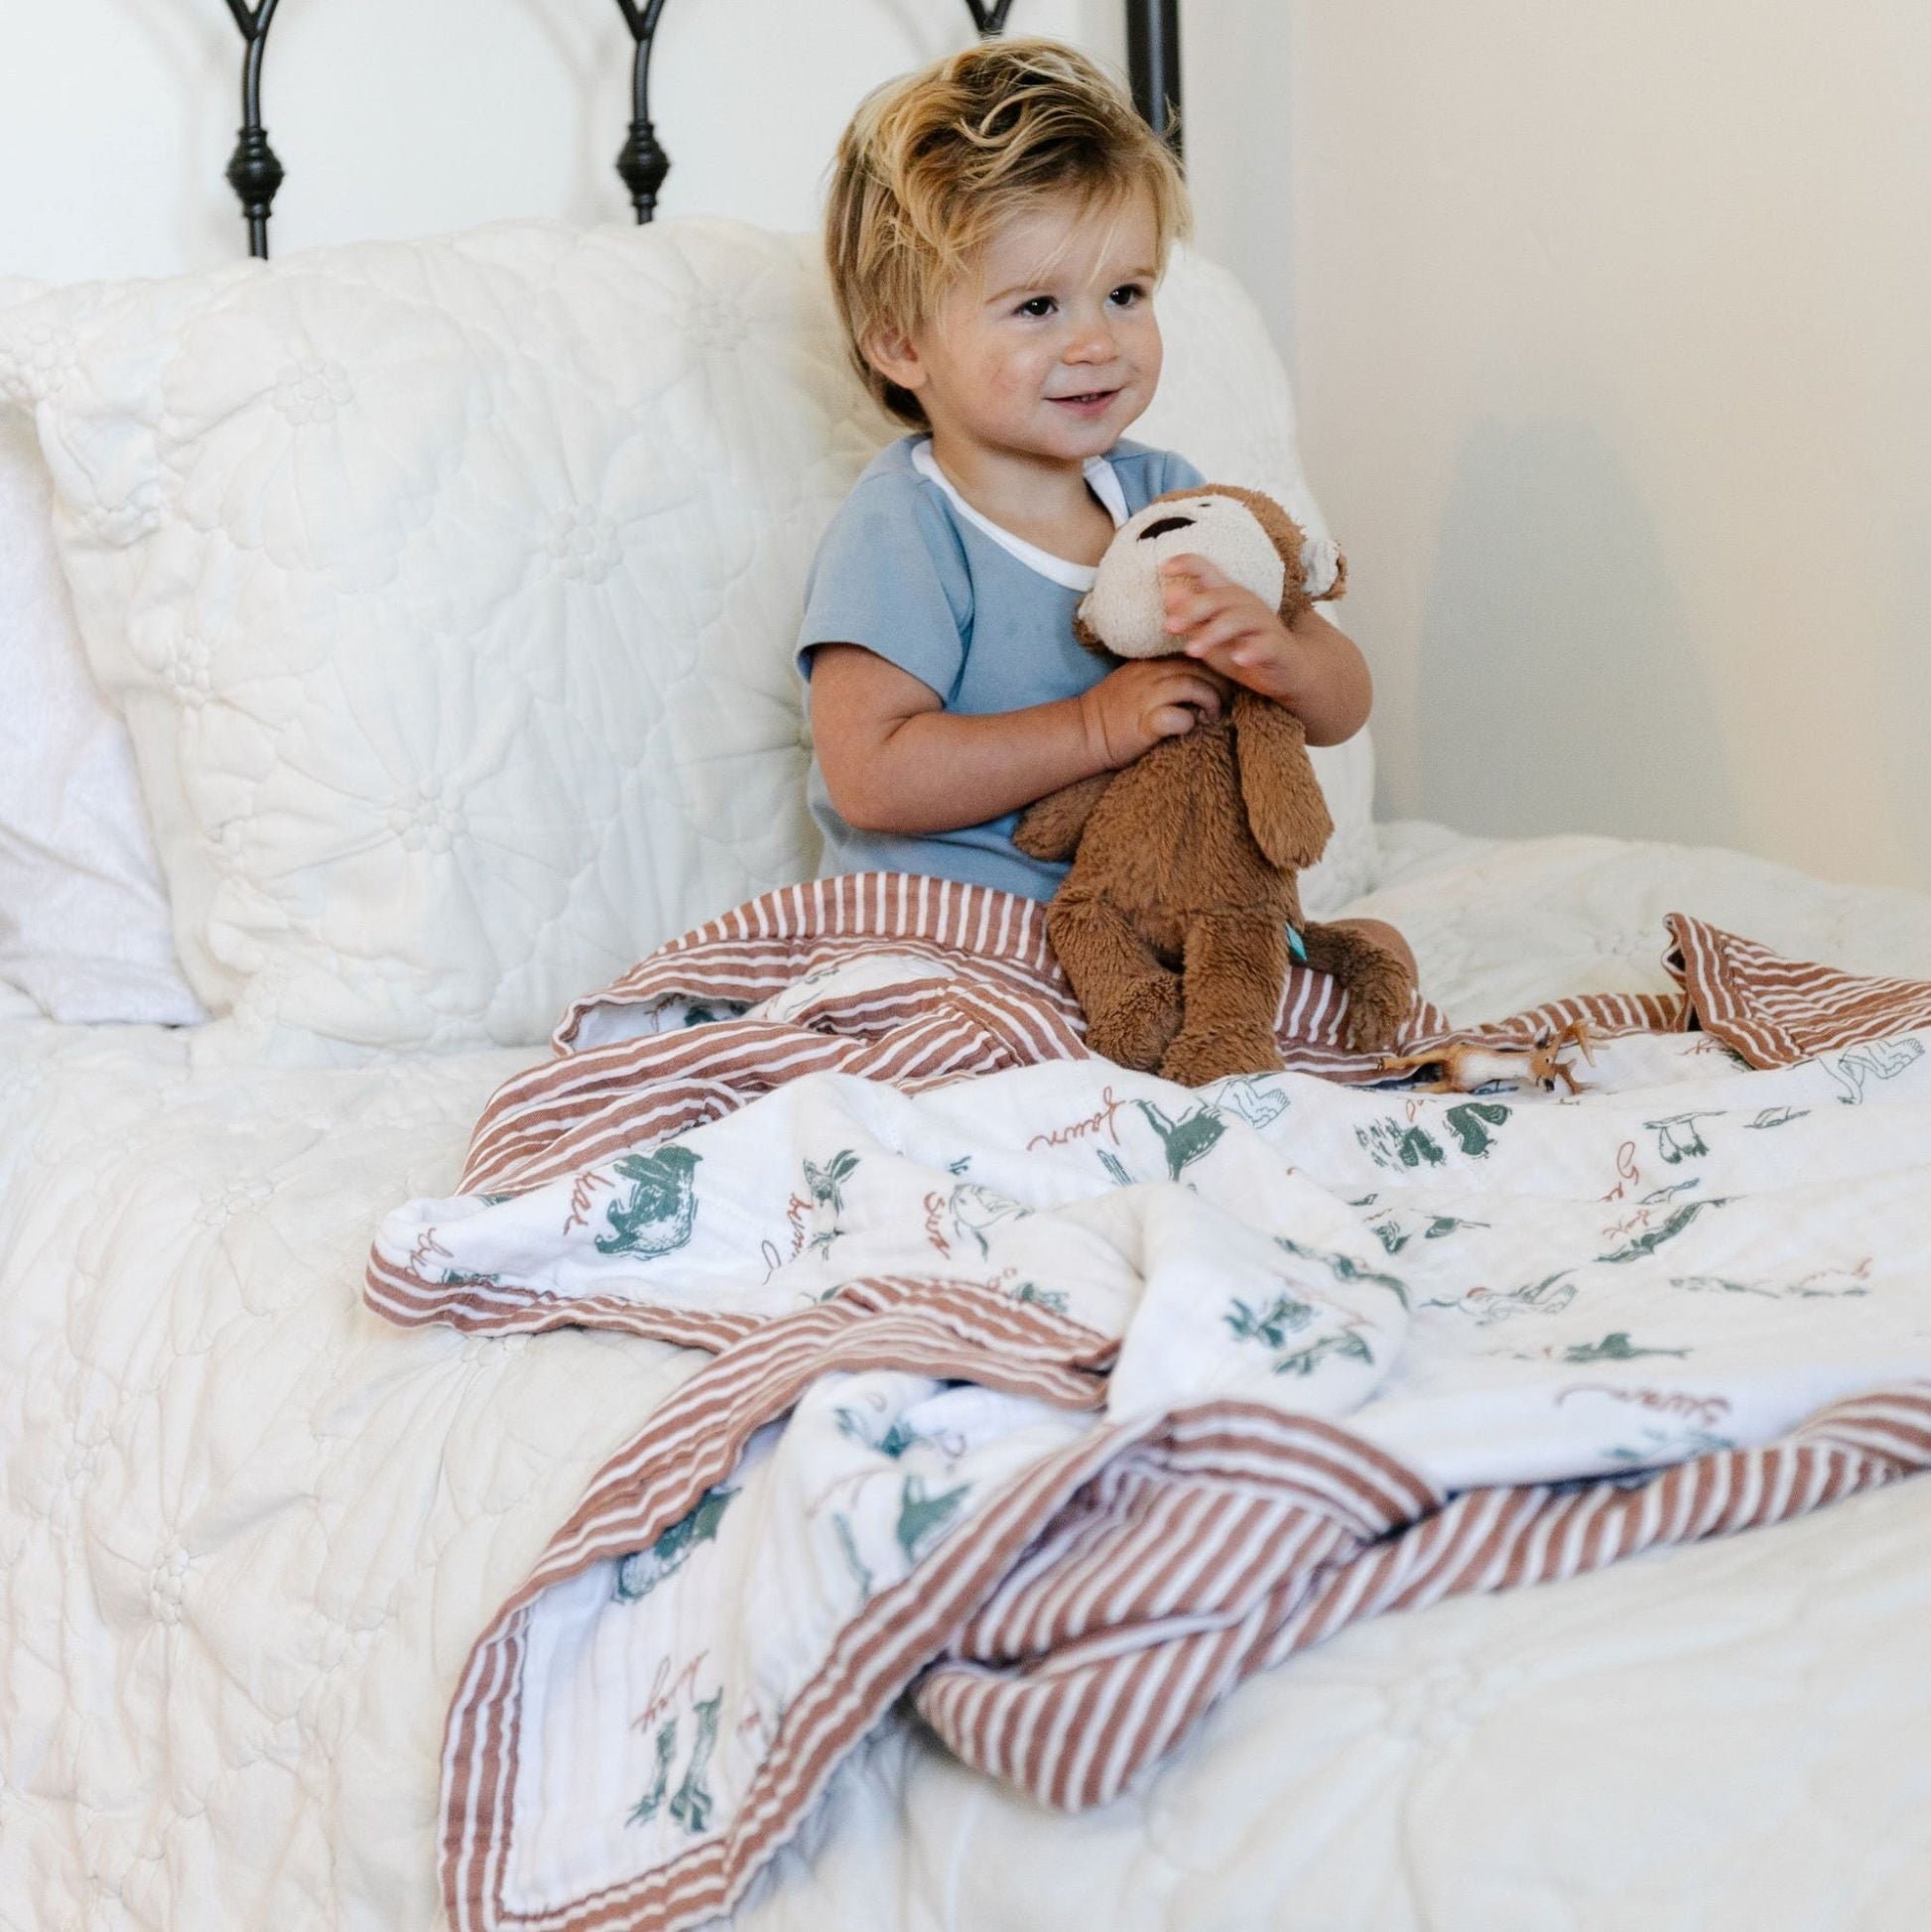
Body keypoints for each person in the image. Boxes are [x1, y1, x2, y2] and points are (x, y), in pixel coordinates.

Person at [800, 37, 1411, 979]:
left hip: (1161, 929)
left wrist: (1284, 655)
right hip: (964, 937)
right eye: (1038, 307)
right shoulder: (907, 525)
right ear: (901, 343)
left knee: (1376, 961)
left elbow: (1343, 708)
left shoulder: (1166, 496)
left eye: (1126, 293)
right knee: (940, 1029)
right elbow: (871, 774)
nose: (1098, 342)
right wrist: (1093, 728)